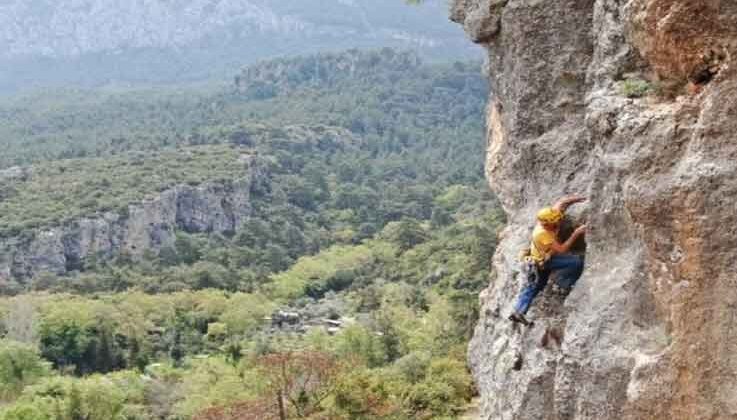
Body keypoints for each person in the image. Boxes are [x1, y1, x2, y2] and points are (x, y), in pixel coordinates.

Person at [509, 195, 587, 325]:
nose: (558, 223)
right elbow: (562, 249)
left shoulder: (551, 216)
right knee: (576, 262)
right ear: (547, 224)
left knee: (536, 285)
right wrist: (576, 233)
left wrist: (579, 199)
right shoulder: (542, 234)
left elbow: (562, 203)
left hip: (541, 259)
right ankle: (563, 284)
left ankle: (518, 311)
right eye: (555, 223)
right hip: (543, 262)